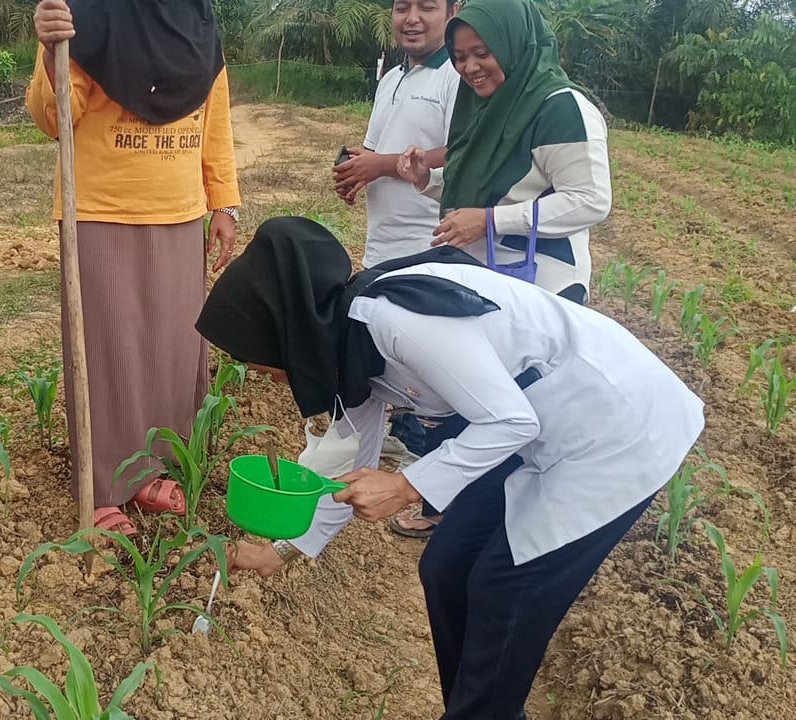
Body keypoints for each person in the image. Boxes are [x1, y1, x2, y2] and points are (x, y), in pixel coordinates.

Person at [197, 217, 704, 720]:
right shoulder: (346, 346)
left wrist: (405, 485)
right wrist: (282, 551)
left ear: (281, 333)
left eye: (256, 357)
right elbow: (355, 464)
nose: (261, 374)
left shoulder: (395, 321)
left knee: (505, 588)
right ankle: (478, 709)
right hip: (540, 430)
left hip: (615, 429)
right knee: (445, 569)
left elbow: (510, 420)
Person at [26, 0, 241, 535]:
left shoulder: (198, 22)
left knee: (171, 347)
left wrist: (223, 202)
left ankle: (151, 469)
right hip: (102, 209)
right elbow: (56, 120)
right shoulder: (89, 14)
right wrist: (53, 48)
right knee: (108, 351)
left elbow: (215, 118)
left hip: (181, 209)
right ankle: (103, 485)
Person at [331, 0, 462, 538]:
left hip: (428, 241)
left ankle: (441, 497)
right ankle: (384, 450)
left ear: (452, 12)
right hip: (383, 241)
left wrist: (380, 165)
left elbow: (462, 153)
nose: (412, 17)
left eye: (426, 6)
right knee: (380, 351)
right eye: (401, 6)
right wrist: (355, 168)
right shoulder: (391, 76)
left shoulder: (456, 75)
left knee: (438, 367)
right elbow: (378, 144)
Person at [397, 0, 611, 305]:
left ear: (513, 43)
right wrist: (427, 179)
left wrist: (490, 220)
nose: (470, 68)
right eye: (459, 58)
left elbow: (590, 201)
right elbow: (489, 185)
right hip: (484, 277)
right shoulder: (486, 105)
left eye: (482, 54)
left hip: (544, 284)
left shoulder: (559, 109)